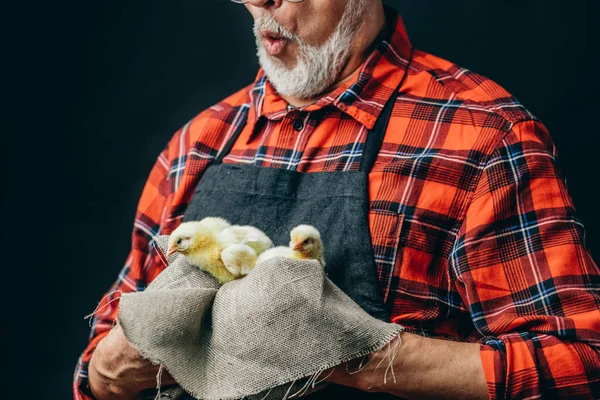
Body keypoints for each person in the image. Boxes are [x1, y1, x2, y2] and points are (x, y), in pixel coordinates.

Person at [74, 0, 600, 399]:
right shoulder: (200, 143)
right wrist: (108, 368)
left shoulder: (482, 135)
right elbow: (101, 361)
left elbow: (575, 361)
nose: (261, 3)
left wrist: (352, 353)